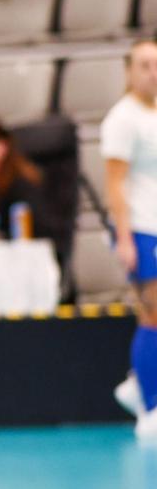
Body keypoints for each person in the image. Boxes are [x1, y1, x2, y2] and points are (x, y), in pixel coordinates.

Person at [102, 40, 157, 439]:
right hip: (139, 229)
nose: (153, 73)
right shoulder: (122, 119)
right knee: (152, 314)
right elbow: (114, 184)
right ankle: (150, 408)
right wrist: (124, 239)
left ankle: (137, 385)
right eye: (144, 65)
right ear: (129, 71)